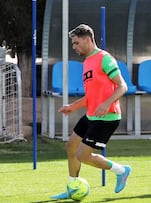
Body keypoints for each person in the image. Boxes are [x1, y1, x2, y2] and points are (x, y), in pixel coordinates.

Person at [51, 24, 131, 199]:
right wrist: (72, 107)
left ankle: (122, 171)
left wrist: (107, 103)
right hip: (92, 115)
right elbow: (91, 96)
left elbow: (122, 86)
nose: (74, 47)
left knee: (83, 155)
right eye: (73, 44)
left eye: (77, 43)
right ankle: (72, 186)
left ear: (88, 39)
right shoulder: (87, 62)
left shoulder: (105, 58)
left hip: (107, 117)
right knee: (71, 146)